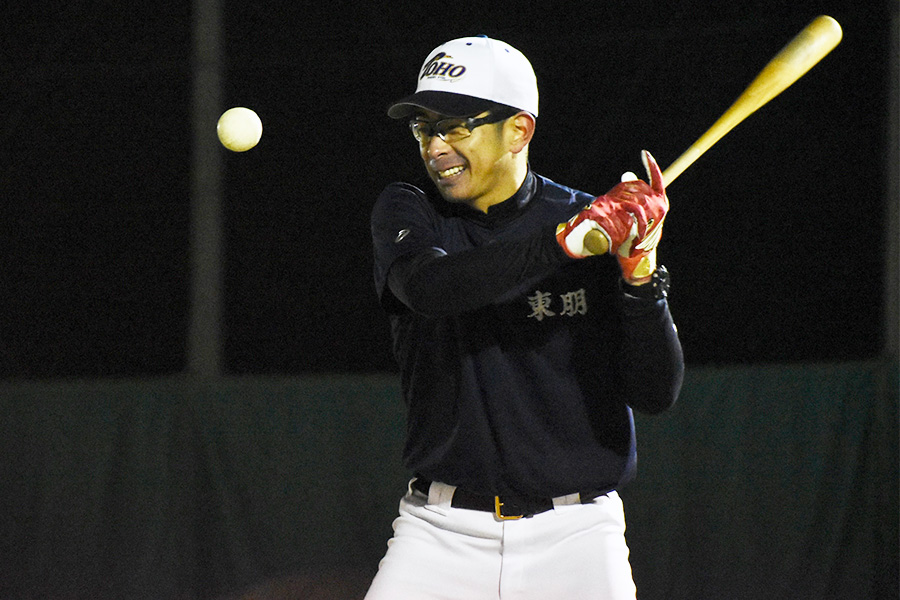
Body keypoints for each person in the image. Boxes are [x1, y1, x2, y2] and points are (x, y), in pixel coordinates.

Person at [366, 35, 684, 600]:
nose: (435, 146)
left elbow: (655, 392)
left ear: (519, 130)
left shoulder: (585, 222)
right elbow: (432, 288)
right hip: (440, 533)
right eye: (424, 128)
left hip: (577, 535)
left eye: (455, 126)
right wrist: (562, 246)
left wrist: (640, 280)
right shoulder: (409, 209)